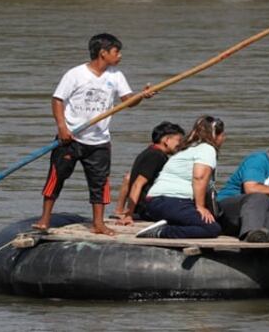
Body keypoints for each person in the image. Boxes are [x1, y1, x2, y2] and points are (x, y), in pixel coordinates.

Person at [35, 33, 155, 235]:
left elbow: (128, 101)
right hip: (71, 138)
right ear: (103, 53)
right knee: (57, 177)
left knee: (100, 182)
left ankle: (98, 223)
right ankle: (45, 219)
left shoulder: (116, 76)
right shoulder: (75, 74)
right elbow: (57, 100)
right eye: (116, 51)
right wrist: (62, 127)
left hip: (99, 141)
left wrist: (141, 96)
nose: (120, 55)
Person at [137, 116, 226, 239]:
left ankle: (167, 225)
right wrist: (200, 206)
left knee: (207, 222)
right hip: (172, 201)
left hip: (157, 202)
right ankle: (161, 232)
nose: (224, 139)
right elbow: (199, 177)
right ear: (215, 135)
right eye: (223, 135)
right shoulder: (207, 149)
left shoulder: (188, 148)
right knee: (211, 228)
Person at [114, 121, 185, 224]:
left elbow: (128, 178)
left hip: (144, 209)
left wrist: (119, 210)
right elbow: (137, 184)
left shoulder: (149, 152)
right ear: (166, 140)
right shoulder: (156, 156)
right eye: (179, 140)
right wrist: (129, 215)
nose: (180, 144)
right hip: (148, 210)